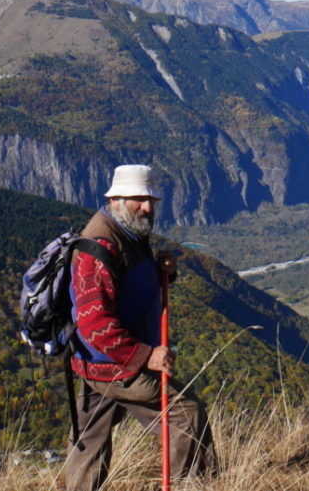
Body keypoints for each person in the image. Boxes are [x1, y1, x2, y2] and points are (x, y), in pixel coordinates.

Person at [64, 164, 216, 491]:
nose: (147, 207)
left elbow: (130, 287)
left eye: (151, 200)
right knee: (187, 415)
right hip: (119, 365)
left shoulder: (128, 233)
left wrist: (164, 271)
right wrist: (145, 356)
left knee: (88, 440)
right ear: (116, 199)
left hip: (100, 362)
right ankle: (193, 486)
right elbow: (94, 323)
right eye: (138, 199)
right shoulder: (100, 247)